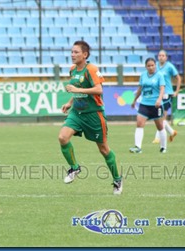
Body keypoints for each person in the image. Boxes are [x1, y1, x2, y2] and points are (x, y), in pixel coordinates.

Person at [58, 40, 123, 195]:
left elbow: (99, 90)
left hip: (94, 114)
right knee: (63, 137)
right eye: (72, 52)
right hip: (77, 113)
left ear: (85, 54)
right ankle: (74, 168)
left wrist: (77, 89)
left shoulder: (91, 69)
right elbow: (78, 91)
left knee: (103, 149)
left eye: (76, 52)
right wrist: (69, 102)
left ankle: (117, 179)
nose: (72, 55)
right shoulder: (73, 69)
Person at [129, 57, 167, 154]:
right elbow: (140, 89)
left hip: (156, 105)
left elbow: (162, 89)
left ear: (155, 65)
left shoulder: (159, 76)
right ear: (146, 67)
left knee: (160, 126)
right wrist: (134, 100)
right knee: (139, 124)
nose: (151, 67)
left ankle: (163, 147)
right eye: (148, 66)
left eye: (152, 65)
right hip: (144, 104)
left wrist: (159, 99)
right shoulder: (143, 75)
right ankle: (138, 147)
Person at [152, 50, 181, 144]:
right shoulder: (155, 65)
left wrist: (176, 91)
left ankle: (157, 138)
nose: (161, 57)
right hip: (158, 94)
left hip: (167, 94)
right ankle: (172, 132)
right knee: (158, 116)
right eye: (159, 55)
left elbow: (178, 78)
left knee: (161, 117)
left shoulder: (169, 66)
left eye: (163, 55)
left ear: (166, 57)